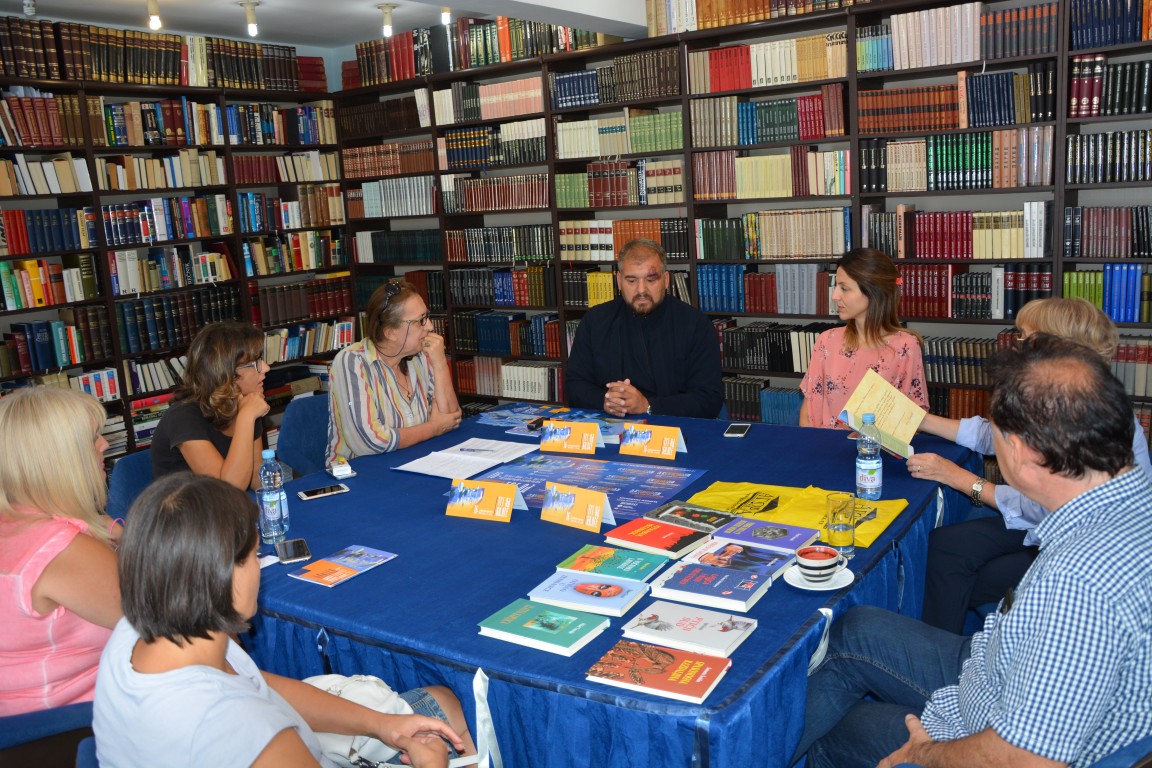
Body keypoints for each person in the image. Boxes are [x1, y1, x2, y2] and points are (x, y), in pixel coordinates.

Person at [793, 334, 1152, 768]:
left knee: (837, 733)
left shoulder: (1080, 581)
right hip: (996, 670)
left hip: (985, 730)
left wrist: (924, 754)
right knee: (854, 628)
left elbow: (1025, 759)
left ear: (1018, 450)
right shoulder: (1126, 503)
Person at [94, 473, 476, 768]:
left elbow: (258, 684)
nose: (259, 568)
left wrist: (381, 724)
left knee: (438, 705)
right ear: (224, 575)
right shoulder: (242, 728)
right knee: (455, 728)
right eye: (253, 556)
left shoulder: (138, 634)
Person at [912, 297, 1152, 633]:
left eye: (1024, 336)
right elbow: (995, 436)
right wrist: (922, 420)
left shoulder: (1080, 416)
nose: (1017, 344)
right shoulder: (1073, 397)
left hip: (1069, 535)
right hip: (1056, 527)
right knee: (947, 547)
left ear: (1053, 344)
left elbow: (1039, 506)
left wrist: (960, 478)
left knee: (962, 575)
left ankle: (945, 651)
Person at [0, 387, 121, 716]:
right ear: (59, 457)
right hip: (76, 722)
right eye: (93, 438)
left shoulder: (18, 521)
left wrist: (109, 529)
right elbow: (176, 624)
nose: (104, 444)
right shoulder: (64, 550)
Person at [565, 239, 724, 419]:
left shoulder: (696, 325)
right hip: (609, 422)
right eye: (631, 280)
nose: (641, 290)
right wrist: (607, 401)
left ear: (666, 280)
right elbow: (575, 384)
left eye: (651, 279)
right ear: (619, 281)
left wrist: (648, 406)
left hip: (674, 424)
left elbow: (709, 398)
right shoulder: (595, 321)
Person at [328, 281, 461, 462]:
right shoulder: (352, 362)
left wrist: (440, 363)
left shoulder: (421, 354)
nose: (430, 326)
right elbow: (370, 442)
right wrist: (433, 428)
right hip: (361, 470)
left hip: (414, 460)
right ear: (390, 332)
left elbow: (451, 418)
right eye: (420, 320)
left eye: (427, 316)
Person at [799, 248, 927, 428]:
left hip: (875, 445)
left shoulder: (906, 347)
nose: (834, 296)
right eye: (836, 286)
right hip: (822, 442)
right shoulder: (826, 341)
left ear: (873, 292)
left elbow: (912, 422)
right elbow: (807, 415)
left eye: (844, 288)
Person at [150, 321, 269, 491]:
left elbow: (256, 478)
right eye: (254, 363)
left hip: (224, 506)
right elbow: (227, 491)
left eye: (261, 359)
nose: (266, 368)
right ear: (225, 373)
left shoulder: (245, 404)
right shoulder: (182, 418)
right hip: (187, 507)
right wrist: (246, 417)